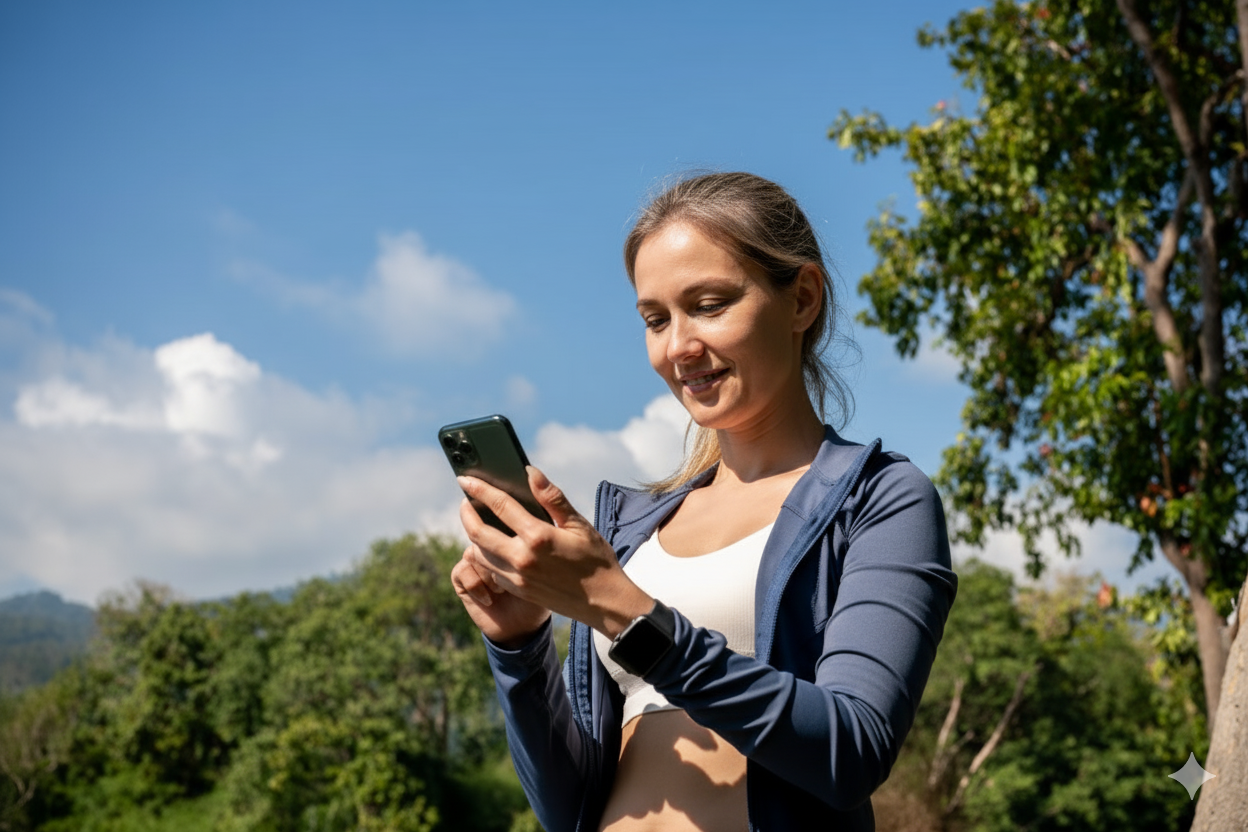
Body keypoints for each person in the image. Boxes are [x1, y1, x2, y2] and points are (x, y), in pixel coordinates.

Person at [451, 172, 957, 831]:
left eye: (710, 305)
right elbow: (568, 807)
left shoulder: (881, 500)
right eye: (655, 320)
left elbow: (851, 750)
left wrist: (625, 611)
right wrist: (519, 647)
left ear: (802, 299)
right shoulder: (633, 533)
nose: (679, 347)